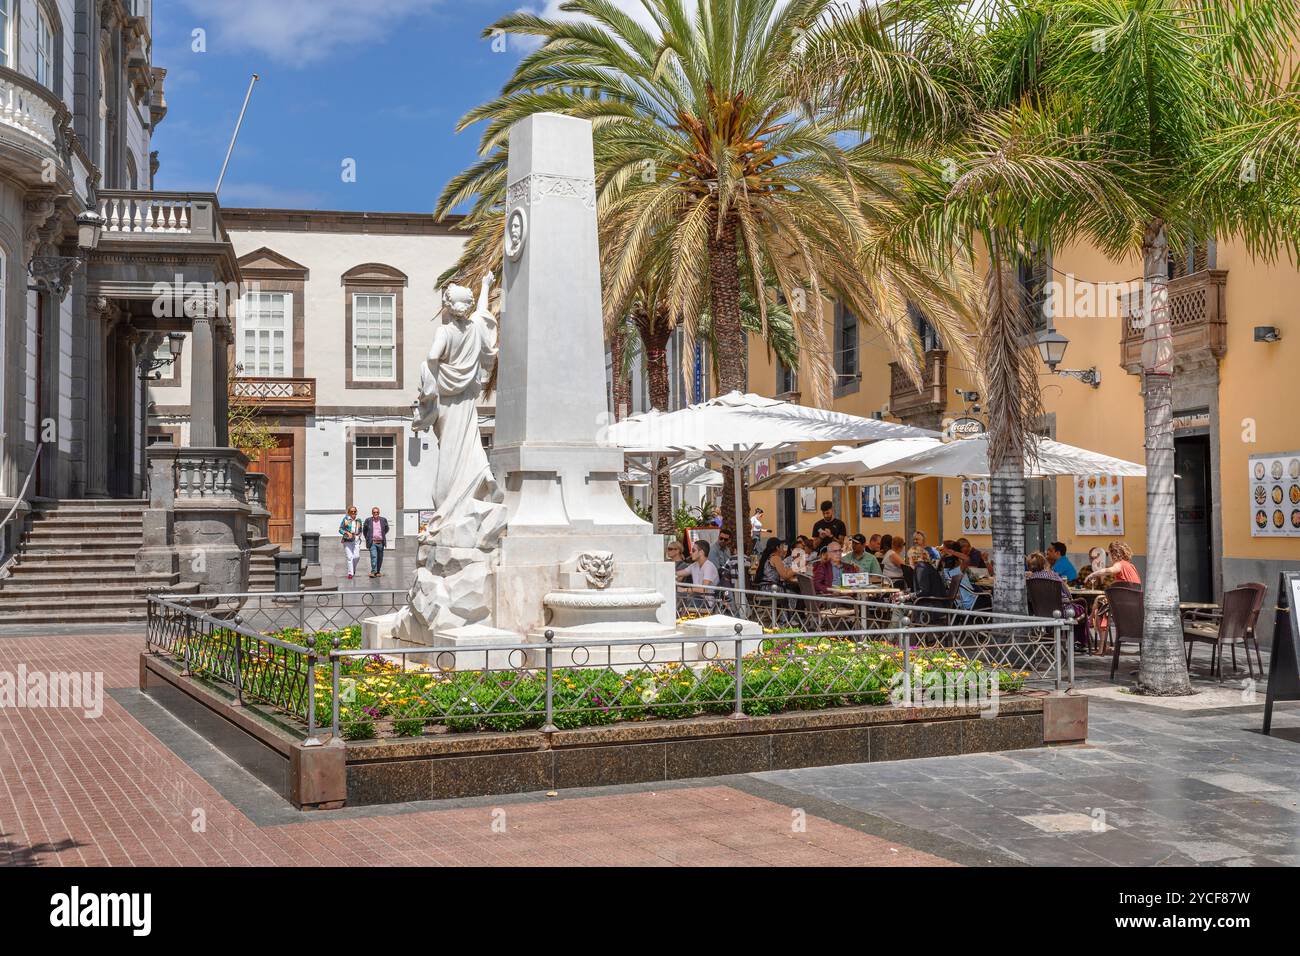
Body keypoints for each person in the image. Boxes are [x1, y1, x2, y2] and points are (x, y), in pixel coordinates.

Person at [362, 507, 389, 577]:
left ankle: (378, 571)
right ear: (372, 513)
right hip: (372, 542)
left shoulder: (383, 520)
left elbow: (386, 529)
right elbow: (364, 530)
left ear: (379, 513)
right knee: (374, 556)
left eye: (377, 512)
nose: (375, 513)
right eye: (374, 512)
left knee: (380, 558)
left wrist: (381, 535)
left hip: (381, 542)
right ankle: (373, 571)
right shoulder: (368, 520)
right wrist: (368, 538)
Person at [338, 506, 362, 580]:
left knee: (356, 557)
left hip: (356, 540)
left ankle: (353, 569)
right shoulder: (346, 520)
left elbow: (360, 529)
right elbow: (340, 529)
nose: (353, 513)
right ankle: (350, 573)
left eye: (355, 511)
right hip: (347, 540)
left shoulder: (359, 520)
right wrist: (346, 533)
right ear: (349, 512)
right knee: (349, 557)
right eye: (352, 511)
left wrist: (359, 534)